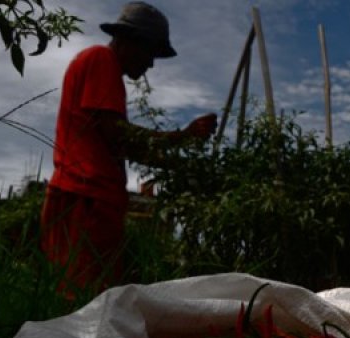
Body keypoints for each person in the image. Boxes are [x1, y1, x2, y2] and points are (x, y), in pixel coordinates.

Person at [40, 1, 217, 297]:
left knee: (95, 295)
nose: (151, 64)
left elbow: (120, 145)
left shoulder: (104, 69)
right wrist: (182, 136)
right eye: (151, 52)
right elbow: (119, 134)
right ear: (130, 41)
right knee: (84, 298)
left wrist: (181, 163)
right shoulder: (100, 59)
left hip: (93, 201)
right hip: (84, 200)